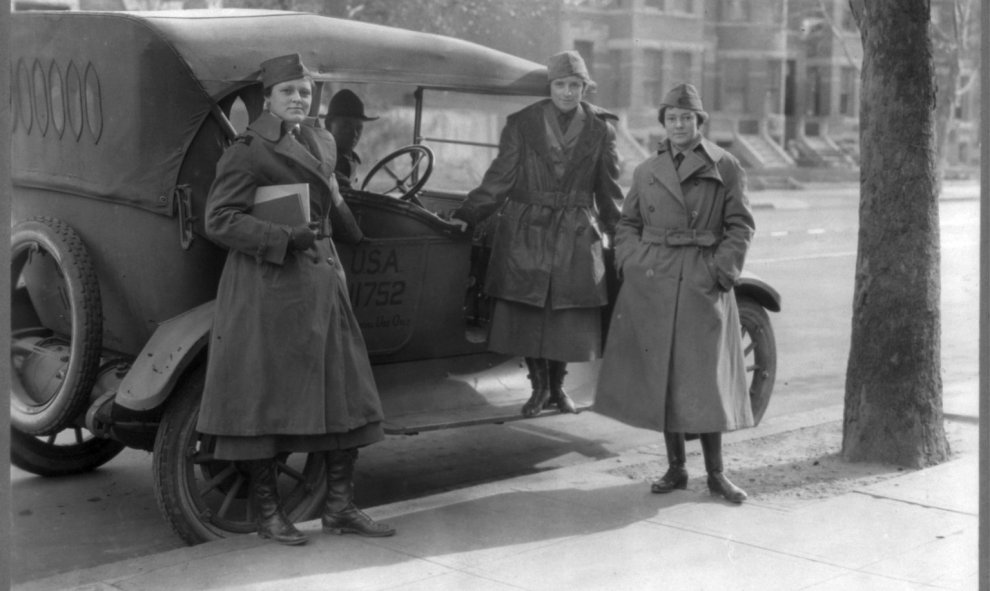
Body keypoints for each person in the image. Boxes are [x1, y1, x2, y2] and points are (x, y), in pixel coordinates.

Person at [197, 53, 395, 545]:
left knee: (347, 393)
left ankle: (340, 507)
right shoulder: (247, 149)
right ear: (268, 99)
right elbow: (219, 220)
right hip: (270, 285)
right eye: (288, 92)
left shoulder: (320, 140)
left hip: (322, 279)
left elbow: (331, 192)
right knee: (268, 403)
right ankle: (269, 516)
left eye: (305, 92)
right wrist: (287, 236)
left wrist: (354, 234)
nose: (298, 100)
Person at [593, 83, 756, 504]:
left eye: (687, 117)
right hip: (656, 280)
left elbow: (740, 225)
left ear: (700, 122)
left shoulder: (727, 166)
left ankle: (717, 474)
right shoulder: (647, 171)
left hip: (702, 278)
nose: (679, 125)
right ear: (663, 123)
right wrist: (630, 260)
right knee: (664, 377)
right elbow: (626, 223)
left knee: (704, 380)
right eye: (672, 118)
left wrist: (721, 271)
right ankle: (676, 468)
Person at [450, 50, 623, 418]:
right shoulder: (522, 124)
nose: (566, 92)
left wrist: (619, 234)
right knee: (530, 315)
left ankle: (559, 388)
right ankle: (539, 388)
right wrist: (469, 212)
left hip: (576, 232)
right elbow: (500, 177)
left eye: (574, 85)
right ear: (550, 86)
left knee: (565, 317)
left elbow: (609, 191)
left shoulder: (602, 129)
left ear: (584, 88)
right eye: (560, 84)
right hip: (527, 229)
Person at [325, 89, 378, 189]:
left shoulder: (351, 159)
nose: (354, 134)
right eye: (346, 126)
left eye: (359, 128)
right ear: (328, 125)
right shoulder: (323, 159)